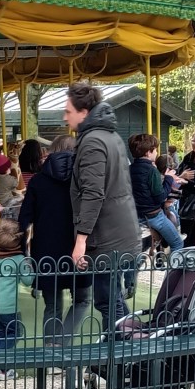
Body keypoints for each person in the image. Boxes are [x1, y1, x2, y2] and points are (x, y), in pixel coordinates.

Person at [65, 82, 139, 338]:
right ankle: (129, 344)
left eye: (68, 111)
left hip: (107, 235)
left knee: (108, 300)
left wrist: (81, 240)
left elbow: (93, 193)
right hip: (119, 229)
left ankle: (123, 350)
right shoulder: (110, 136)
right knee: (112, 298)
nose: (65, 117)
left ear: (84, 112)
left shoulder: (93, 142)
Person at [18, 134, 91, 346]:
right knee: (82, 299)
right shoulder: (83, 179)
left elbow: (25, 218)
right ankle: (62, 342)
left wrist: (24, 250)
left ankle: (51, 347)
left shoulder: (38, 180)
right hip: (78, 246)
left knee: (52, 306)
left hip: (46, 248)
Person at [0, 219, 33, 379]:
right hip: (8, 307)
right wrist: (29, 266)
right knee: (14, 333)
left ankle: (2, 368)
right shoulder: (17, 259)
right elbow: (28, 280)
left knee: (1, 334)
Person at [128, 133, 183, 254]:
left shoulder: (129, 169)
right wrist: (168, 178)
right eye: (155, 150)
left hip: (136, 216)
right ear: (148, 152)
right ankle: (174, 265)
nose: (157, 153)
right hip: (154, 217)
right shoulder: (152, 171)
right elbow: (160, 197)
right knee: (177, 243)